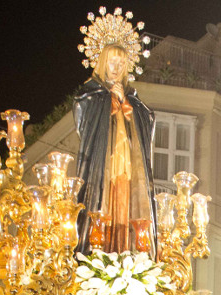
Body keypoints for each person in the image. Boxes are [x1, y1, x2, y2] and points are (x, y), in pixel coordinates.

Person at [74, 9, 158, 255]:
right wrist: (110, 100)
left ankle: (125, 249)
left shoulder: (132, 97)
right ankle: (98, 248)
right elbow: (83, 118)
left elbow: (147, 121)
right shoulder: (91, 93)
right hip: (102, 164)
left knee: (125, 201)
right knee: (103, 200)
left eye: (122, 63)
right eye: (113, 61)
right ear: (102, 61)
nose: (117, 67)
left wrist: (126, 103)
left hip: (129, 165)